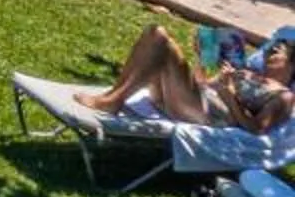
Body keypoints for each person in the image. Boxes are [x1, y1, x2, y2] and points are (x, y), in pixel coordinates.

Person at [77, 25, 295, 129]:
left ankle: (113, 101)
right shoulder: (247, 72)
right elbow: (203, 84)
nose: (269, 51)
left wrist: (229, 95)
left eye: (277, 51)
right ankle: (113, 96)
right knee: (155, 35)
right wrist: (202, 62)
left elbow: (257, 129)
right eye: (269, 49)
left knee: (161, 38)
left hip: (208, 114)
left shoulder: (284, 96)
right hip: (190, 100)